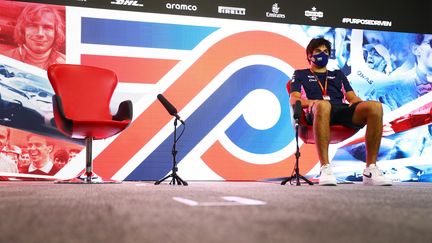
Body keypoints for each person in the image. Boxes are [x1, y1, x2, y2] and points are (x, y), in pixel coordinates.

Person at [289, 37, 392, 186]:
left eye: (325, 51)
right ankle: (325, 168)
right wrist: (313, 103)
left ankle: (370, 170)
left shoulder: (338, 74)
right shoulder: (300, 74)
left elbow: (351, 97)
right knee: (324, 105)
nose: (322, 54)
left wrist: (361, 105)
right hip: (317, 111)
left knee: (375, 107)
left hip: (340, 110)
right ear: (309, 56)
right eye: (318, 51)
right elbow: (294, 99)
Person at [3, 4, 65, 70]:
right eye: (33, 26)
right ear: (23, 30)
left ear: (56, 32)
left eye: (47, 27)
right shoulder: (4, 58)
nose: (40, 33)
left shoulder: (66, 63)